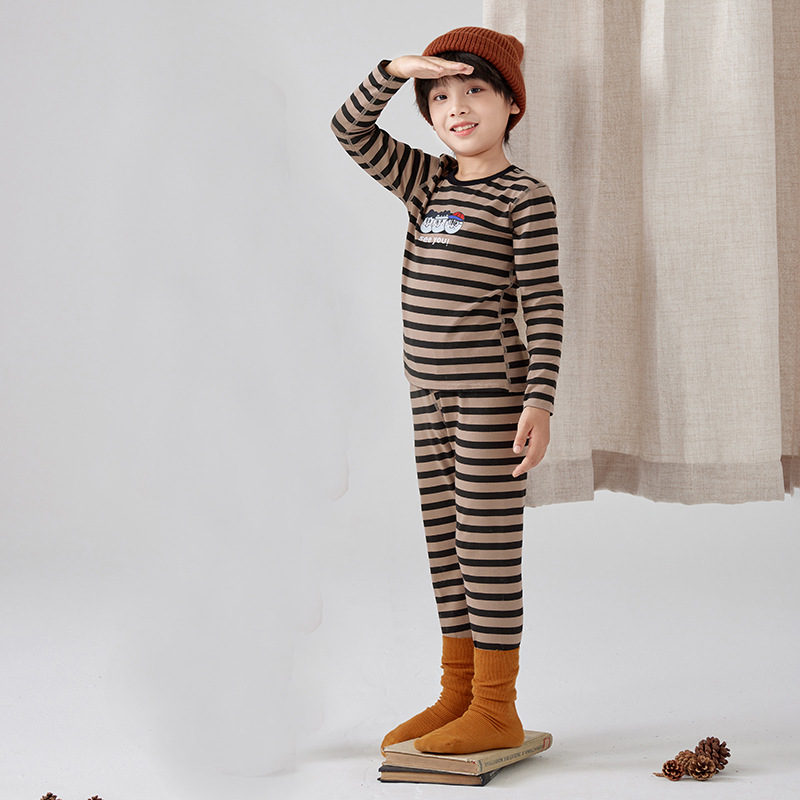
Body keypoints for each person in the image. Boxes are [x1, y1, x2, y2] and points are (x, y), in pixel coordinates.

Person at [330, 25, 563, 756]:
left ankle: (497, 707)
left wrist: (539, 400)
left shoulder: (525, 197)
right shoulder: (426, 182)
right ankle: (457, 693)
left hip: (491, 397)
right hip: (425, 395)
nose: (457, 107)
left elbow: (544, 304)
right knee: (446, 545)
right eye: (439, 97)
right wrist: (394, 71)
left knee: (485, 548)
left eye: (475, 90)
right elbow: (348, 128)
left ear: (511, 105)